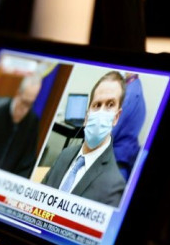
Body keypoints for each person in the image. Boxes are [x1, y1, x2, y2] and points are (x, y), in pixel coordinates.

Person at [42, 71, 126, 207]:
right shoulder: (65, 154)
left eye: (110, 105)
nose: (101, 113)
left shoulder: (114, 187)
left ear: (116, 117)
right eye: (97, 105)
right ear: (87, 116)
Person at [111, 72, 146, 180]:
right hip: (123, 157)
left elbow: (113, 129)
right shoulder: (136, 88)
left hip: (117, 162)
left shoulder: (130, 93)